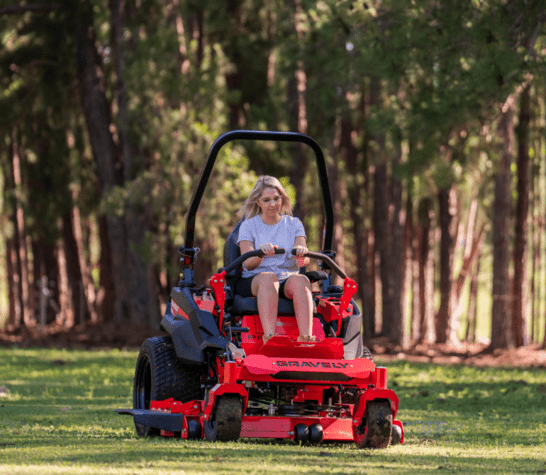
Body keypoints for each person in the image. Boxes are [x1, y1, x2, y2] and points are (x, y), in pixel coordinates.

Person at [236, 175, 315, 343]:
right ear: (258, 202)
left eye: (276, 199)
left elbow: (304, 262)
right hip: (255, 279)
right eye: (266, 200)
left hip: (286, 278)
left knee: (302, 280)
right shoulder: (248, 226)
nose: (272, 204)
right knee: (268, 279)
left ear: (282, 199)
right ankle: (270, 338)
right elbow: (248, 264)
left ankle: (306, 339)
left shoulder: (294, 224)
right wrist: (260, 253)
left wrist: (300, 255)